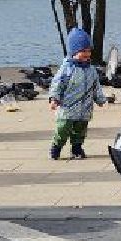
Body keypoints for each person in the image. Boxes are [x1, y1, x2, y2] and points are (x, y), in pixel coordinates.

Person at [47, 27, 107, 160]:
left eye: (88, 51)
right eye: (82, 51)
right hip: (68, 107)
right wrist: (54, 99)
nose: (86, 54)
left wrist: (100, 99)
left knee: (80, 130)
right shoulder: (66, 69)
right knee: (63, 129)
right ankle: (56, 146)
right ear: (73, 52)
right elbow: (57, 84)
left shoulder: (91, 70)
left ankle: (77, 148)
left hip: (84, 108)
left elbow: (95, 86)